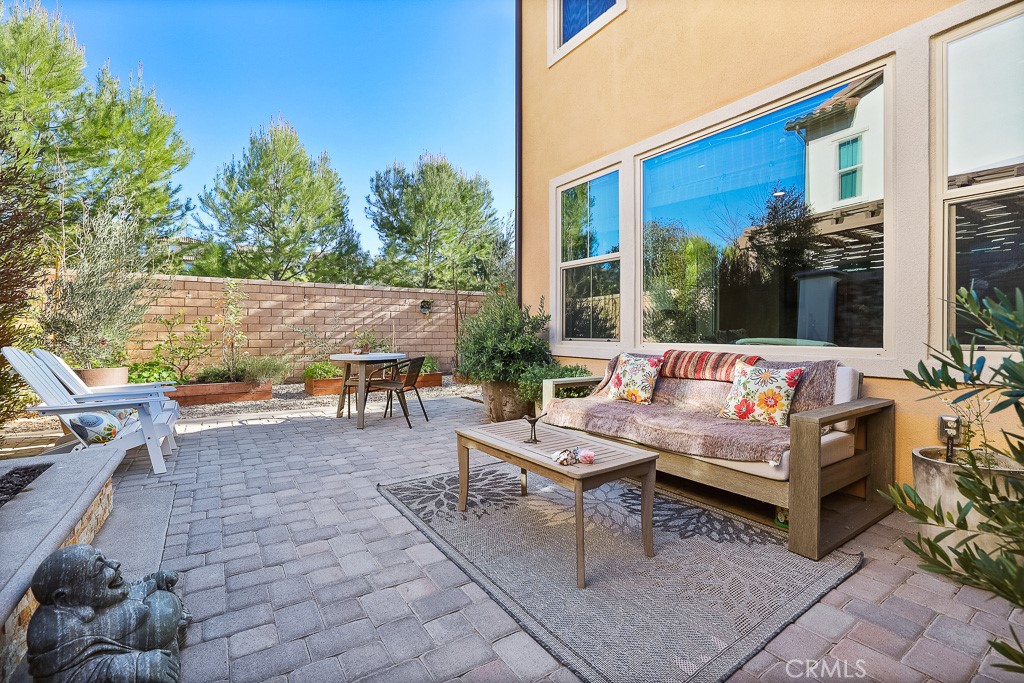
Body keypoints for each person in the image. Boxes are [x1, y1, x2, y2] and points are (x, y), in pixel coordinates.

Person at [26, 545, 190, 683]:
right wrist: (137, 666)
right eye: (99, 568)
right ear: (64, 598)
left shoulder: (91, 599)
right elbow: (68, 677)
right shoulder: (54, 634)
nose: (114, 564)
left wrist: (153, 580)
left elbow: (129, 589)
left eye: (104, 559)